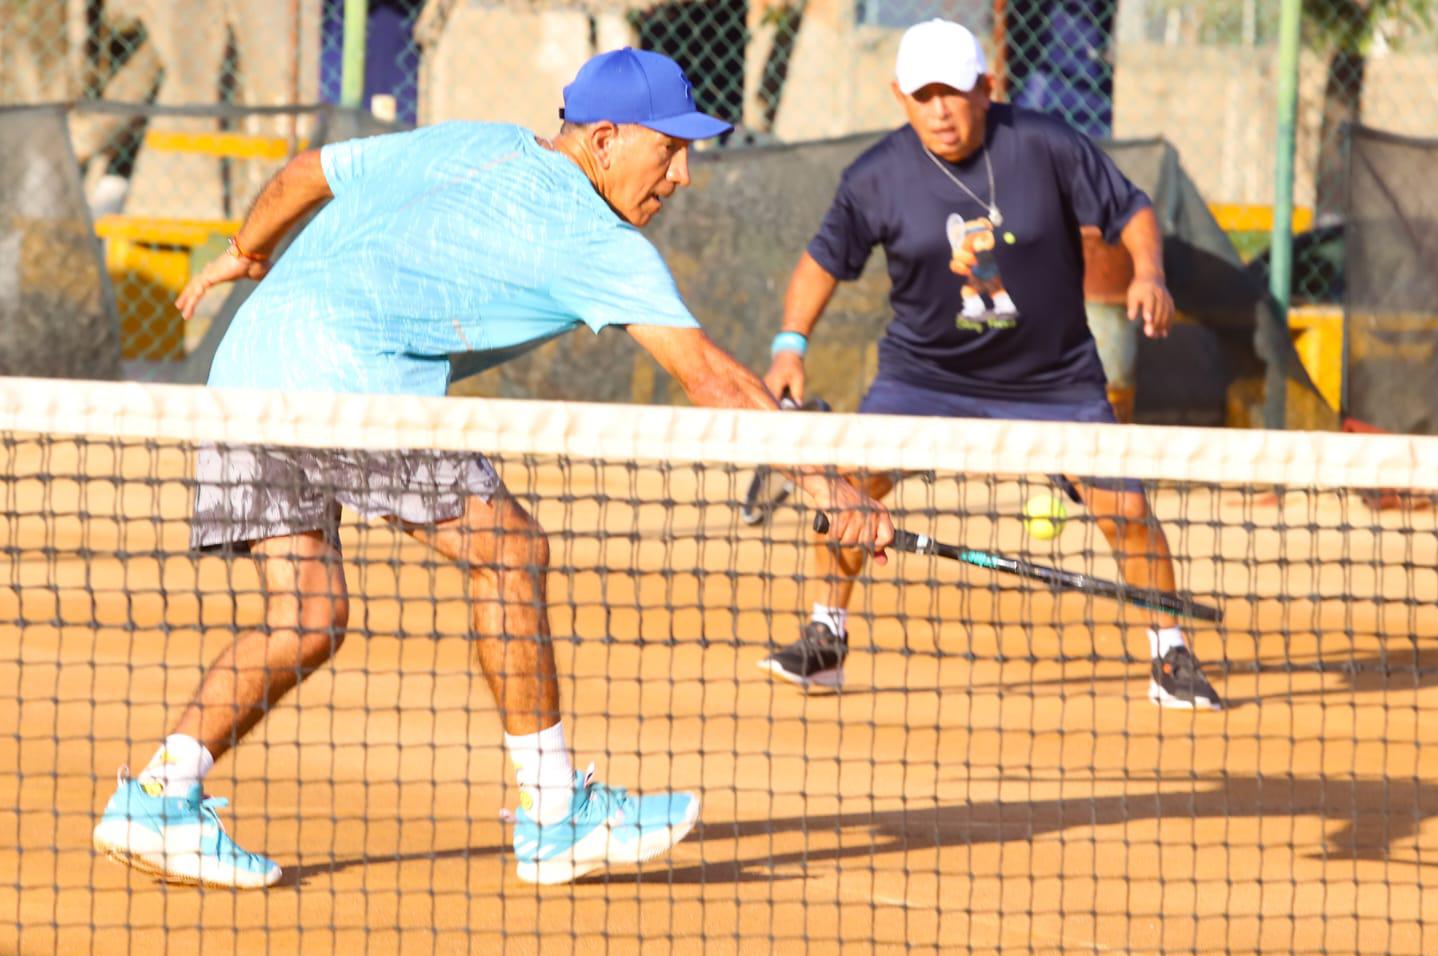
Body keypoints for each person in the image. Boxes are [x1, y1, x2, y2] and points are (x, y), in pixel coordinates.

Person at [91, 47, 893, 891]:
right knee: (508, 549)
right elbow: (713, 378)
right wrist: (829, 487)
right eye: (670, 149)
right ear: (607, 140)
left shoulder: (473, 140)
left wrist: (246, 254)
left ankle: (159, 796)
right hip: (353, 381)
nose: (683, 174)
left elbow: (305, 173)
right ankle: (554, 815)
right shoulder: (593, 235)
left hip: (248, 362)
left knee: (308, 616)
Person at [755, 19, 1222, 711]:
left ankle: (1170, 653)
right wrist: (790, 345)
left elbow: (1131, 210)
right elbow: (824, 260)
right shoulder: (876, 177)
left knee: (1125, 508)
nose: (940, 109)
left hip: (1054, 380)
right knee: (849, 490)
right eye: (924, 94)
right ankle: (826, 638)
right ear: (900, 96)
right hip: (924, 376)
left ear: (986, 87)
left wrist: (1148, 273)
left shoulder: (1046, 145)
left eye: (954, 91)